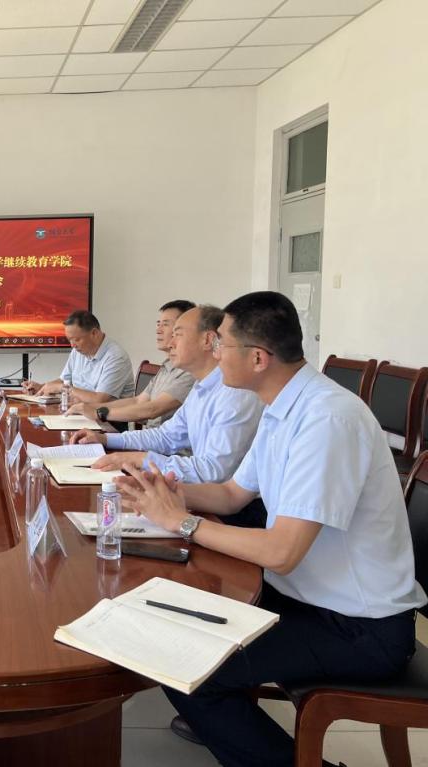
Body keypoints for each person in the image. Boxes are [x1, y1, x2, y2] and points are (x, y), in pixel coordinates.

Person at [118, 291, 426, 767]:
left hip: (358, 628)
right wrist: (160, 494)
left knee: (184, 663)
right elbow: (231, 495)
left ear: (258, 358)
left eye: (221, 344)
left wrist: (181, 521)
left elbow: (282, 551)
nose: (214, 353)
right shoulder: (282, 405)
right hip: (304, 597)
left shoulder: (327, 418)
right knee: (170, 619)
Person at [70, 306, 263, 484]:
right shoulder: (201, 386)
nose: (170, 343)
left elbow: (213, 472)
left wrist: (138, 459)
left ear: (207, 340)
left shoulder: (235, 393)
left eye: (177, 335)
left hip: (220, 500)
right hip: (198, 487)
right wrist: (106, 439)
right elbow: (167, 436)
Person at [66, 300, 196, 427]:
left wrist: (98, 412)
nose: (158, 330)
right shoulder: (166, 366)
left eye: (166, 324)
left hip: (158, 440)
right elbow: (138, 401)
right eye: (158, 324)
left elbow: (152, 409)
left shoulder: (190, 371)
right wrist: (89, 408)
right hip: (150, 436)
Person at [22, 310, 134, 403]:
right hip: (80, 412)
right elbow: (65, 381)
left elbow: (99, 400)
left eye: (76, 339)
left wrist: (62, 388)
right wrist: (42, 387)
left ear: (94, 333)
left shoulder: (115, 357)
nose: (72, 345)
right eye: (69, 340)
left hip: (106, 420)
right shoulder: (78, 351)